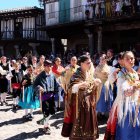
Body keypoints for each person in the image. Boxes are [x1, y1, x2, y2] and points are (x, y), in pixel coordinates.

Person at [61, 55, 101, 140]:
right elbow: (70, 89)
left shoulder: (89, 74)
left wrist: (95, 84)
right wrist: (79, 85)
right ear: (82, 63)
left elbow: (91, 87)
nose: (90, 65)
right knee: (80, 123)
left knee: (89, 123)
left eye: (90, 63)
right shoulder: (76, 74)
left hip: (89, 103)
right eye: (88, 63)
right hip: (78, 104)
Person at [104, 51, 140, 140]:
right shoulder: (121, 73)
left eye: (132, 58)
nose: (130, 60)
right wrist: (129, 90)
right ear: (123, 61)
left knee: (136, 129)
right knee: (126, 130)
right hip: (124, 106)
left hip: (135, 105)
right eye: (127, 59)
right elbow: (123, 87)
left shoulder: (135, 73)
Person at [33, 60, 59, 134]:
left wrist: (59, 86)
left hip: (51, 95)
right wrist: (39, 87)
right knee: (46, 112)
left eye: (51, 66)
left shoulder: (52, 74)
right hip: (44, 96)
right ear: (44, 67)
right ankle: (46, 126)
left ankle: (44, 121)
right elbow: (35, 85)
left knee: (53, 110)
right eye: (48, 66)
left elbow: (55, 83)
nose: (50, 67)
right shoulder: (40, 75)